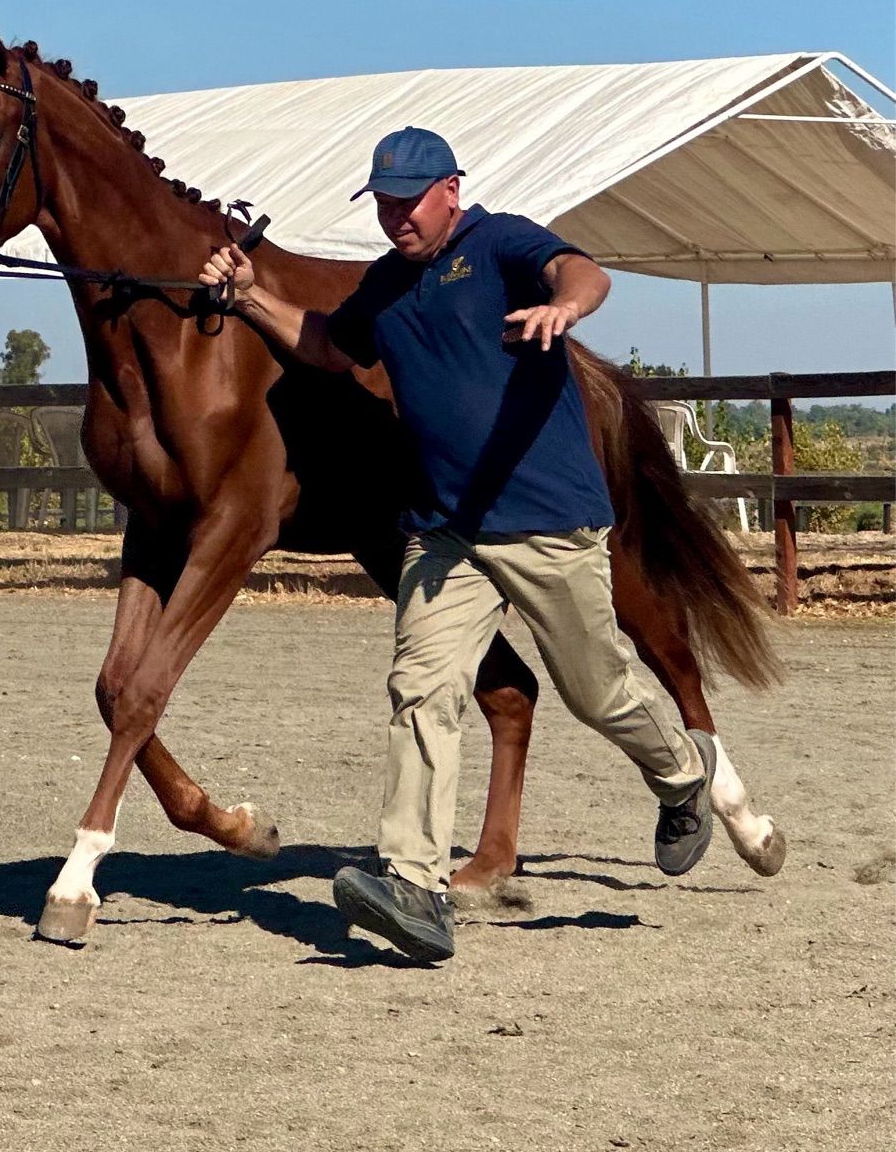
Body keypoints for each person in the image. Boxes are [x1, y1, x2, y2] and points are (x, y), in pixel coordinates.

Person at [198, 125, 716, 966]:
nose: (396, 218)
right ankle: (414, 887)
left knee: (598, 693)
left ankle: (680, 775)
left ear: (451, 190)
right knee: (421, 688)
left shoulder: (500, 241)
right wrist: (251, 295)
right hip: (444, 536)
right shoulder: (387, 284)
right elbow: (329, 345)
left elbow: (583, 271)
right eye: (384, 204)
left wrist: (565, 307)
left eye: (410, 201)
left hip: (548, 526)